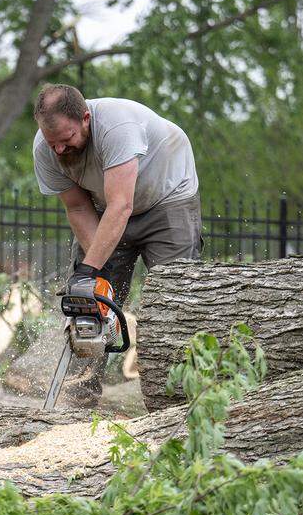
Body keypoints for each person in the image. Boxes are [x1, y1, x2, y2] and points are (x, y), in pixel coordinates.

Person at [32, 83, 202, 405]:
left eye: (66, 140)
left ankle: (175, 403)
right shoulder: (46, 148)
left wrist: (90, 267)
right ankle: (78, 400)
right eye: (52, 142)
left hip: (167, 197)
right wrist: (94, 275)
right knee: (88, 302)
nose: (58, 150)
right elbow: (78, 208)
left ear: (85, 119)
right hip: (106, 207)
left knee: (175, 301)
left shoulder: (117, 127)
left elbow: (121, 205)